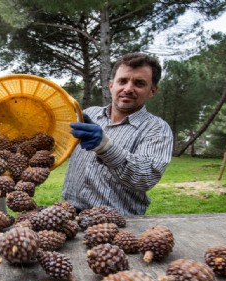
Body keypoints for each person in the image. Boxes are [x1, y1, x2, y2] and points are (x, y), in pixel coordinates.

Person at [61, 52, 173, 216]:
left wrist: (105, 147)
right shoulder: (89, 114)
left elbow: (145, 177)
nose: (128, 89)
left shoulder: (157, 128)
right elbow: (57, 145)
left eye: (139, 83)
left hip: (119, 224)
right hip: (69, 214)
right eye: (123, 81)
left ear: (153, 91)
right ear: (111, 85)